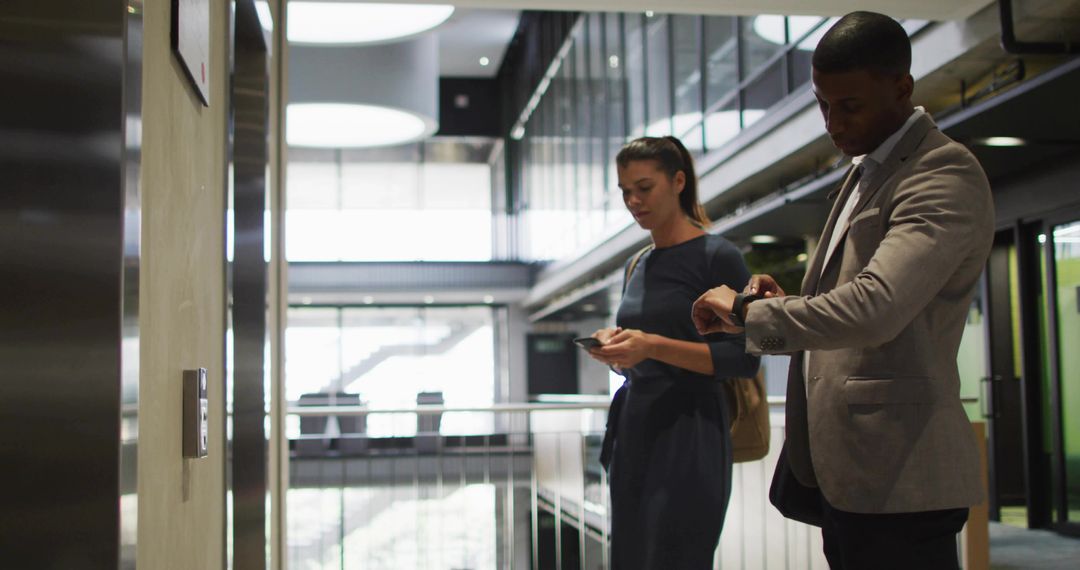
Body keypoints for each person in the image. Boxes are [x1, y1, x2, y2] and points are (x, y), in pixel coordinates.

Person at [690, 11, 993, 570]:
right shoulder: (865, 170)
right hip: (853, 471)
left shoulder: (941, 172)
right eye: (822, 104)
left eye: (848, 105)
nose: (831, 121)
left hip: (900, 470)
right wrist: (784, 300)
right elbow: (853, 297)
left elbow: (877, 307)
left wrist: (749, 312)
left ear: (901, 87)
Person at [587, 135, 759, 569]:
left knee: (678, 557)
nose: (633, 200)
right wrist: (621, 344)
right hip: (636, 427)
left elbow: (743, 357)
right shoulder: (639, 262)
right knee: (630, 557)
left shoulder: (716, 256)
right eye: (625, 191)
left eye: (644, 188)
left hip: (691, 430)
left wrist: (652, 346)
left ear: (678, 181)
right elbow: (644, 344)